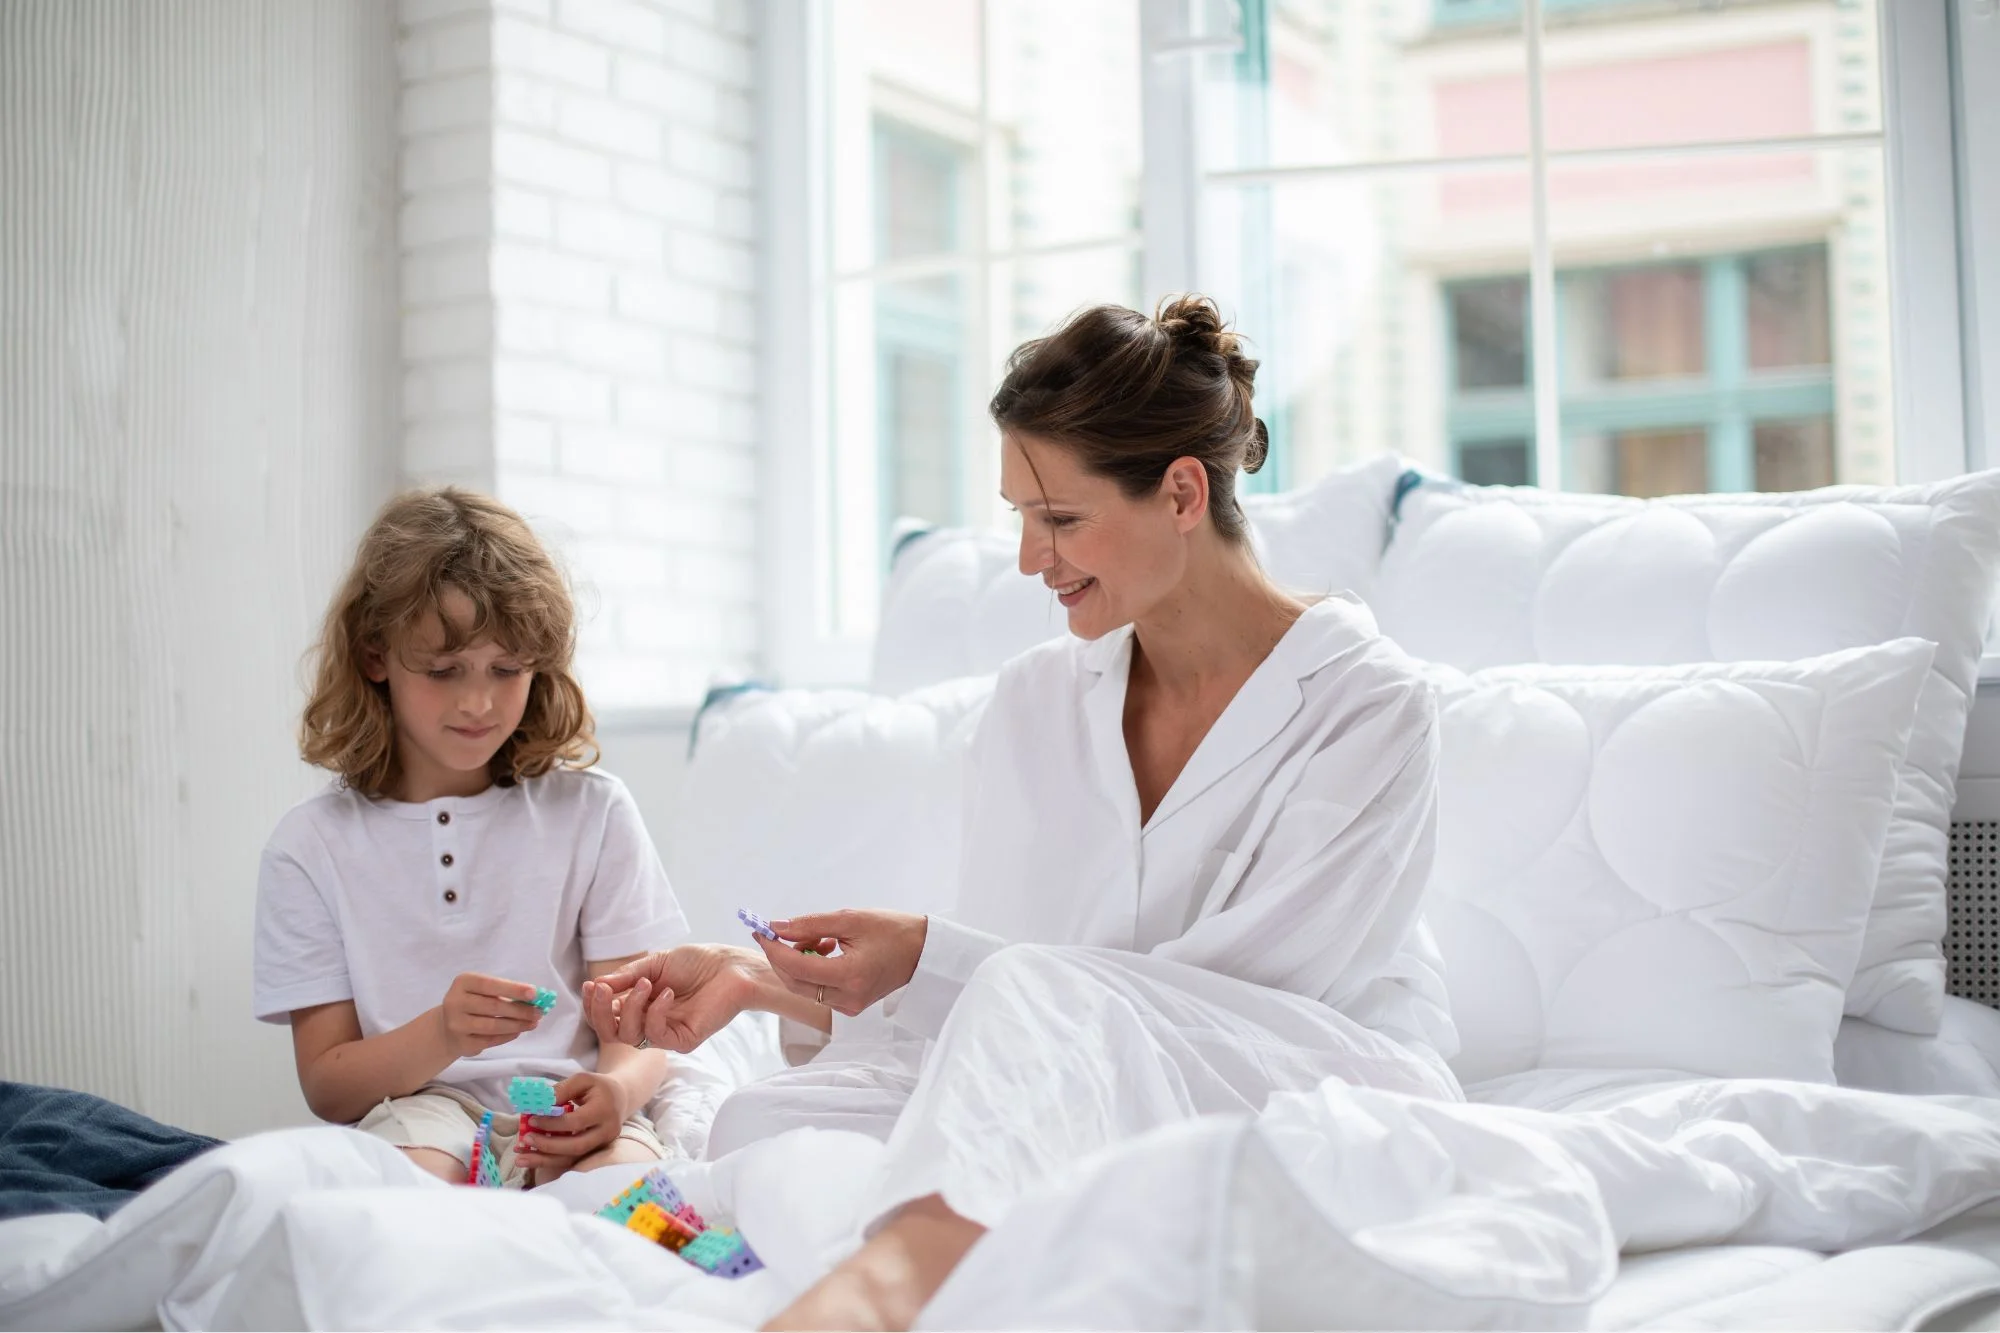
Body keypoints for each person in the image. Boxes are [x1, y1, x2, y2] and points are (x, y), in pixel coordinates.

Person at [589, 295, 1459, 1327]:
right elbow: (1005, 1008)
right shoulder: (1035, 702)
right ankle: (970, 1262)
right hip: (1062, 1070)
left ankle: (876, 1295)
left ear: (1183, 492)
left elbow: (1194, 995)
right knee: (764, 1118)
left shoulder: (1369, 703)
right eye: (1020, 517)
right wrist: (760, 979)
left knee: (1026, 1010)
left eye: (1060, 519)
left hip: (1294, 1084)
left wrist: (927, 954)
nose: (1028, 558)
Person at [252, 487, 688, 1186]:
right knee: (422, 1197)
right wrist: (443, 1033)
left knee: (626, 1194)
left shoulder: (594, 811)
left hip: (573, 1097)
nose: (479, 701)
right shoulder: (310, 846)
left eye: (506, 669)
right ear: (375, 656)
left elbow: (633, 1029)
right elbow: (329, 1086)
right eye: (443, 670)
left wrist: (615, 1094)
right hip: (419, 1109)